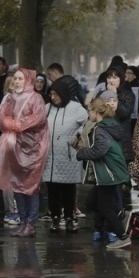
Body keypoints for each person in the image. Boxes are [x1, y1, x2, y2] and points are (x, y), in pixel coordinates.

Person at [0, 68, 49, 237]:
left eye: (20, 78)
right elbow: (1, 118)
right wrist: (13, 124)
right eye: (15, 78)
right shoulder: (10, 98)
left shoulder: (36, 98)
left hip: (33, 148)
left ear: (28, 80)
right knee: (17, 185)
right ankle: (23, 221)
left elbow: (38, 119)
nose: (17, 81)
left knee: (31, 187)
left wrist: (15, 125)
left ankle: (31, 222)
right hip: (14, 148)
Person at [75, 98, 132, 249]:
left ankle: (123, 237)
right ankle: (118, 214)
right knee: (91, 203)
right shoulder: (111, 125)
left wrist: (81, 153)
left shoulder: (100, 129)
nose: (88, 114)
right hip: (110, 173)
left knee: (105, 208)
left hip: (109, 173)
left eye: (89, 111)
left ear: (96, 112)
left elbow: (99, 151)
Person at [43, 75, 88, 233]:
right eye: (51, 94)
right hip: (50, 156)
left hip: (68, 155)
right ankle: (55, 218)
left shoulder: (76, 108)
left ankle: (69, 218)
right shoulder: (47, 108)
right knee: (52, 189)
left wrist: (78, 135)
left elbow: (88, 123)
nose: (52, 97)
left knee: (68, 189)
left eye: (55, 94)